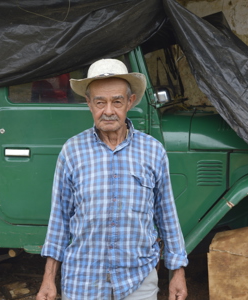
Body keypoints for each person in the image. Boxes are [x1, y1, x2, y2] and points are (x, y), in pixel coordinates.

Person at [36, 59, 188, 300]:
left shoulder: (153, 150)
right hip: (83, 280)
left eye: (117, 101)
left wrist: (177, 272)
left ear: (130, 101)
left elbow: (167, 215)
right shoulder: (72, 151)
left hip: (138, 278)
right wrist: (48, 279)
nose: (108, 111)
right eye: (100, 102)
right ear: (89, 104)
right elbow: (59, 221)